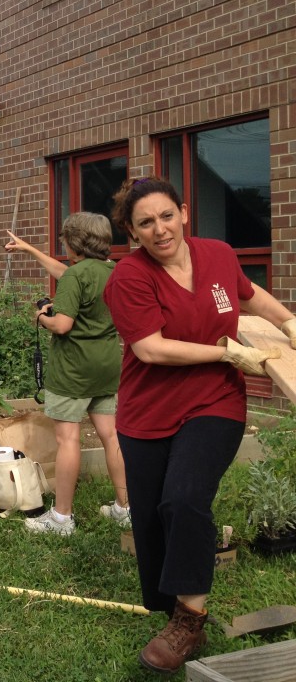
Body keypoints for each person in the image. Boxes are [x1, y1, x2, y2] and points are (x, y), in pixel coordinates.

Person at [103, 177, 296, 674]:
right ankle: (171, 604)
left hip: (215, 402)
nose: (160, 229)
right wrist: (228, 352)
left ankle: (190, 617)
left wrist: (290, 323)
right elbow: (151, 348)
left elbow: (248, 296)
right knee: (151, 520)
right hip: (147, 413)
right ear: (132, 232)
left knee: (184, 498)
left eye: (167, 215)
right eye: (145, 222)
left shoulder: (217, 254)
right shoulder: (128, 277)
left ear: (184, 212)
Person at [5, 213, 129, 537]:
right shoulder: (114, 271)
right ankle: (125, 509)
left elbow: (62, 325)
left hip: (74, 369)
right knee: (111, 436)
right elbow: (65, 272)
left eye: (65, 242)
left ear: (75, 243)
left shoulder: (76, 276)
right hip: (106, 366)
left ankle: (61, 518)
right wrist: (29, 249)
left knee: (68, 439)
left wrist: (43, 317)